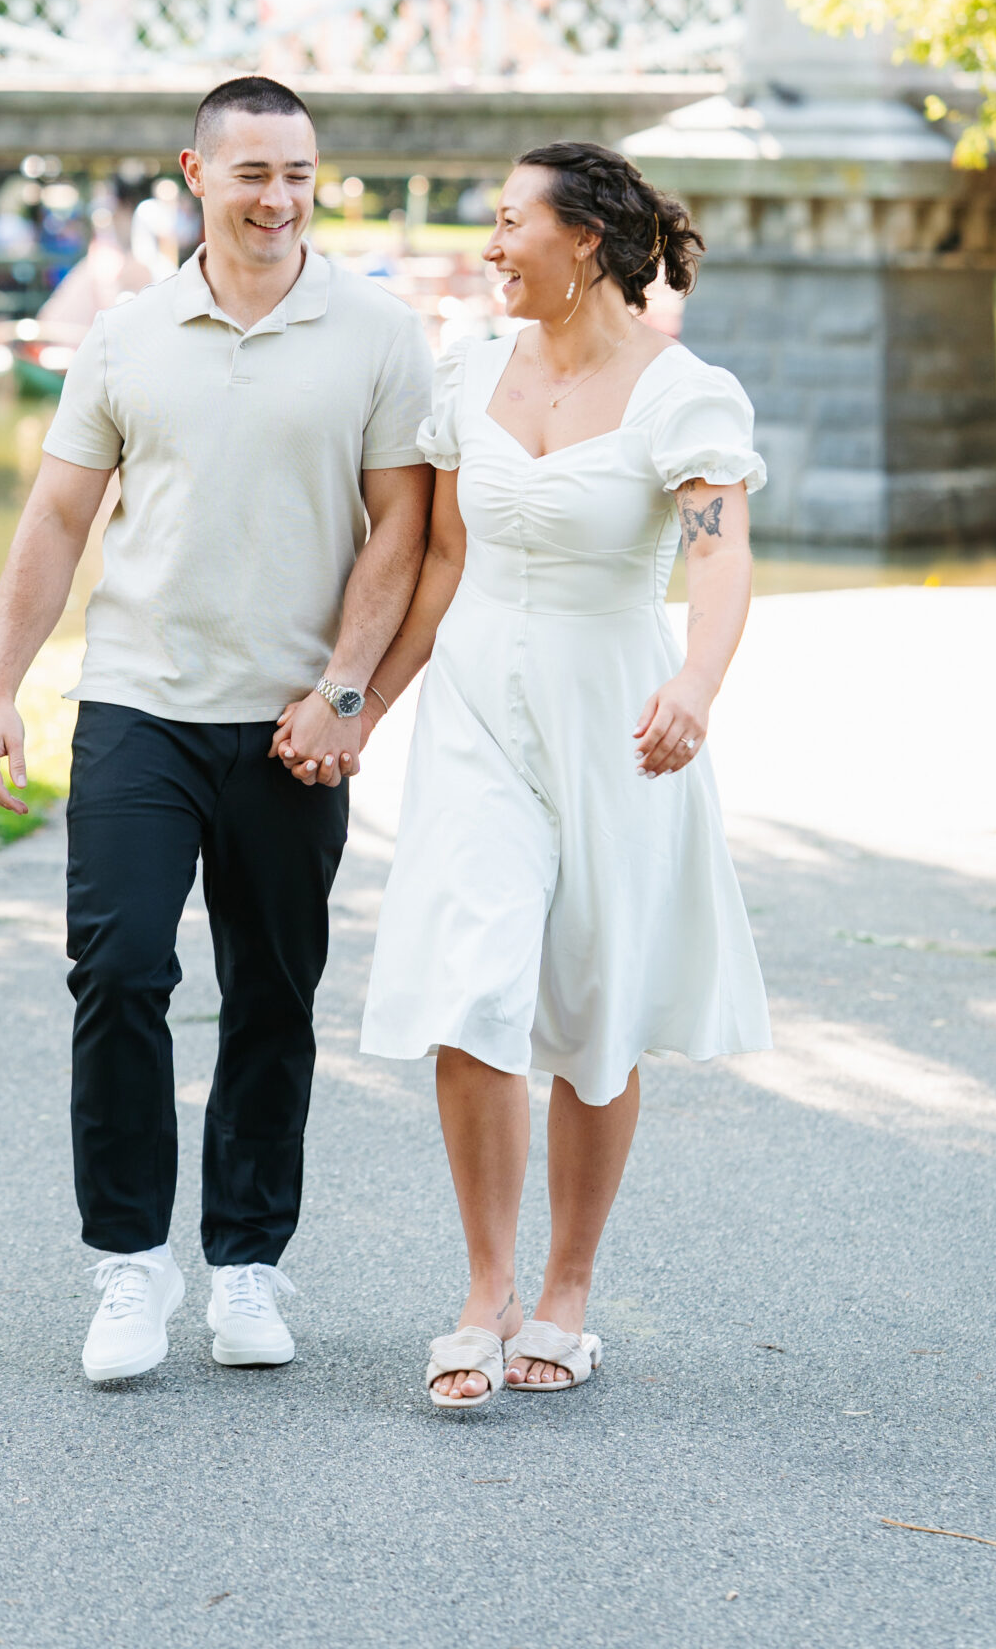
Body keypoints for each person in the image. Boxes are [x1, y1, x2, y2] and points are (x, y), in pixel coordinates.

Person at [0, 77, 433, 1385]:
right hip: (137, 704)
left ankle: (245, 1265)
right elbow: (57, 521)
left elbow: (399, 523)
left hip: (291, 721)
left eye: (297, 173)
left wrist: (344, 689)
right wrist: (0, 687)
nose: (277, 199)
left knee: (271, 997)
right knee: (118, 972)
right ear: (196, 174)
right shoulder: (123, 337)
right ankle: (127, 1268)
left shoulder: (378, 334)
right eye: (251, 174)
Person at [356, 141, 771, 1408]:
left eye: (507, 222)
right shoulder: (467, 370)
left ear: (585, 238)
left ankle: (567, 1291)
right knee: (472, 975)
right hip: (478, 707)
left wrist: (694, 682)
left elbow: (718, 555)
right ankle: (484, 1292)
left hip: (610, 712)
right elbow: (432, 563)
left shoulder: (682, 393)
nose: (489, 246)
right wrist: (358, 707)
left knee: (595, 1001)